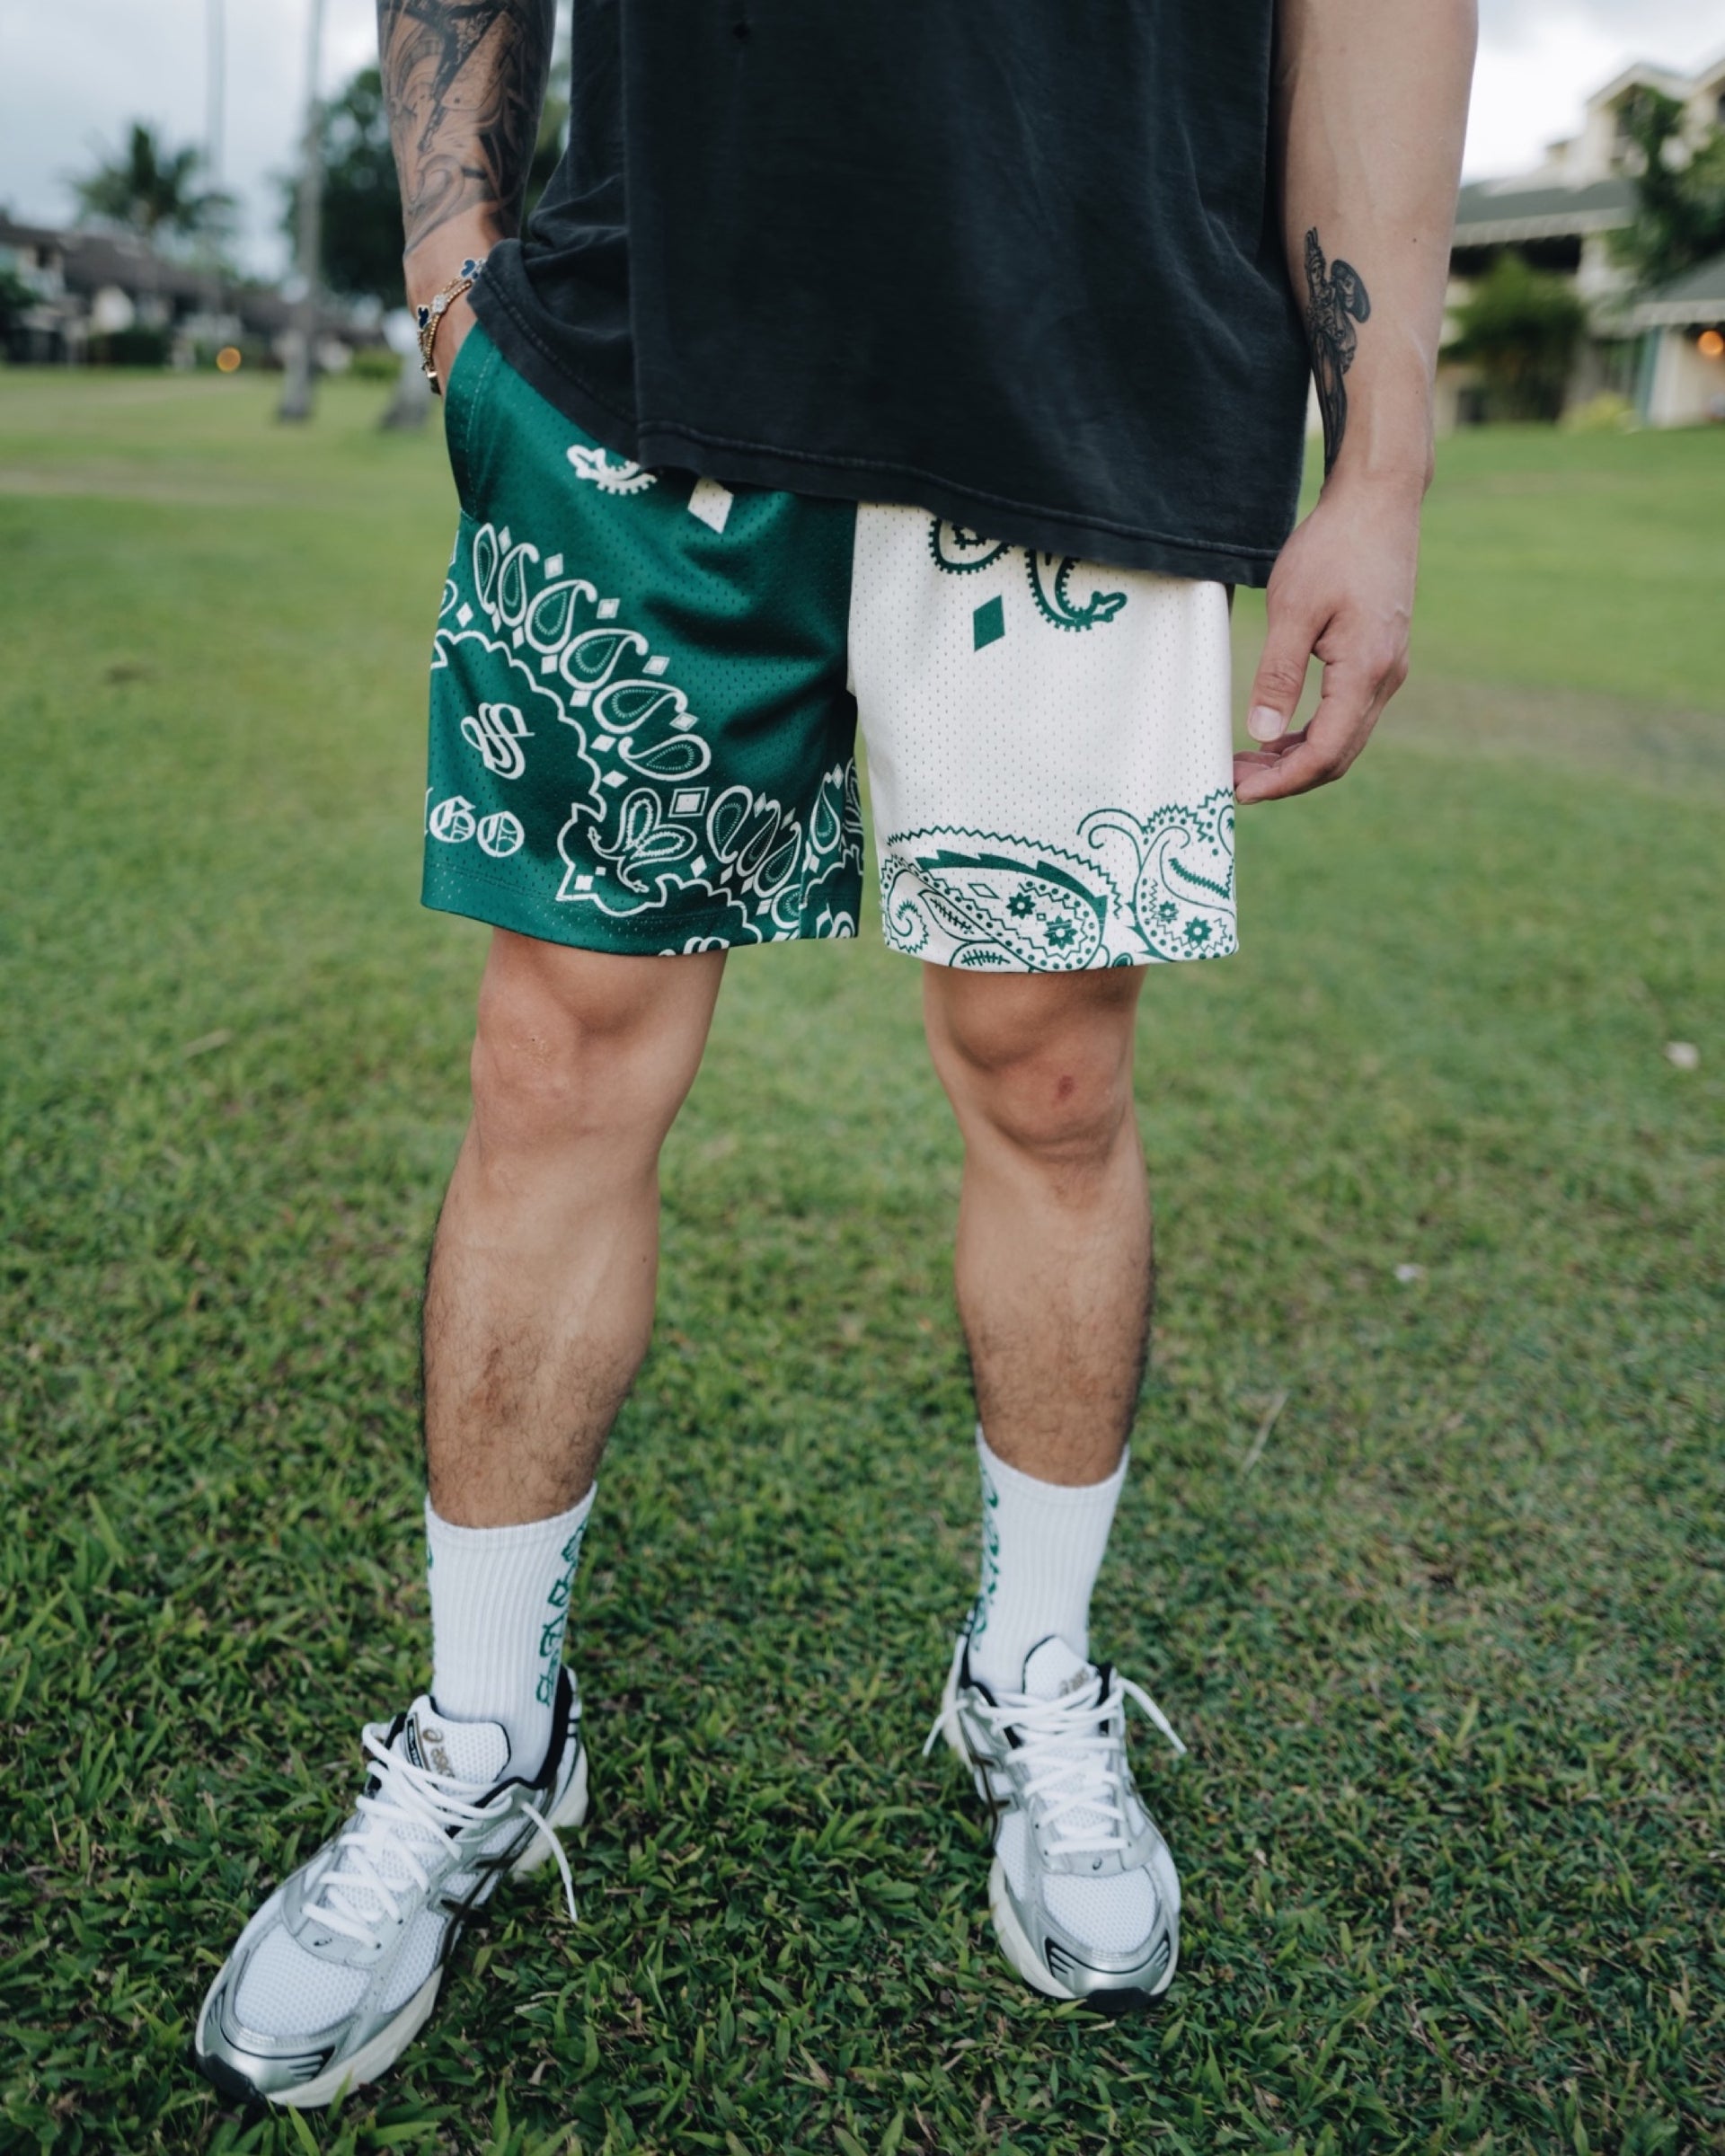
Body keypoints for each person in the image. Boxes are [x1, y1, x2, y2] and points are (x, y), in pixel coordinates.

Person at [194, 0, 1475, 2107]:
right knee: (559, 1065)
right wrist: (454, 292)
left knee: (1051, 1073)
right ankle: (484, 1739)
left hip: (1102, 363)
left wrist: (1388, 464)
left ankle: (1031, 1673)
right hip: (644, 352)